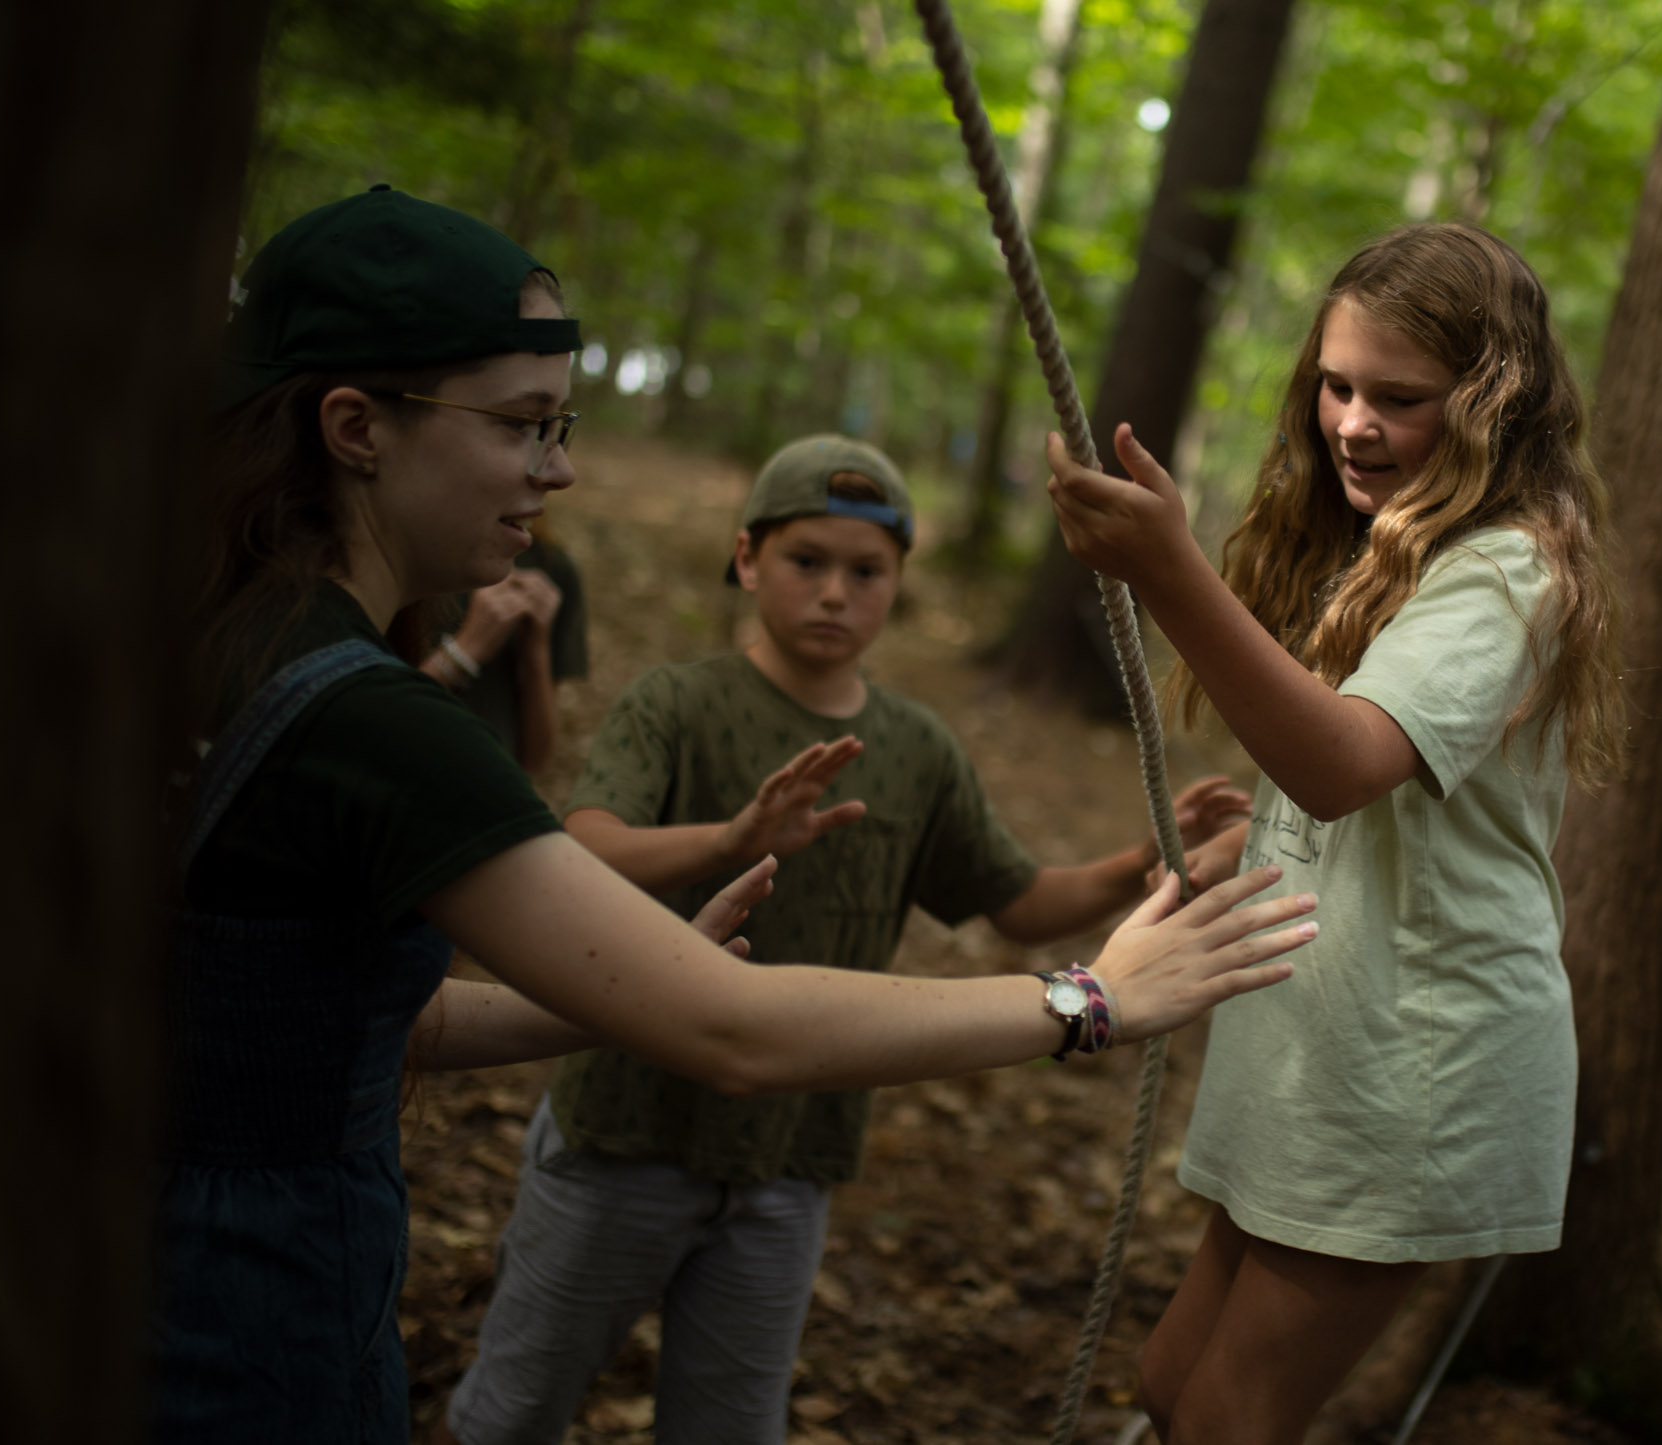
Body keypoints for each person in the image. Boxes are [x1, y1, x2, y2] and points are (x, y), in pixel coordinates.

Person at [160, 185, 1318, 1445]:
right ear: (354, 426)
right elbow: (734, 1031)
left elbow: (342, 1005)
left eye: (565, 423)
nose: (561, 467)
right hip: (240, 1304)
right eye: (522, 424)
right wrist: (1089, 1001)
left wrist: (618, 984)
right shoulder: (367, 718)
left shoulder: (226, 633)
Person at [436, 434, 1252, 1444]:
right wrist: (733, 837)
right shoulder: (677, 703)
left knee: (732, 1424)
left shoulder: (914, 748)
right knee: (514, 1407)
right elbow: (588, 847)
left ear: (899, 583)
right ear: (745, 560)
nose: (834, 593)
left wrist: (1142, 858)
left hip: (790, 1161)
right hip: (623, 1135)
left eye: (866, 571)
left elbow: (1017, 901)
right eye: (804, 561)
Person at [1041, 222, 1624, 1444]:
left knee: (1225, 1417)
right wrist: (1239, 857)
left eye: (1397, 398)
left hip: (1417, 1064)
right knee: (1170, 1381)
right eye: (1336, 384)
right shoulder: (1383, 548)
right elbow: (1351, 789)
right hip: (1319, 1044)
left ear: (1490, 406)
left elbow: (1345, 761)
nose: (1351, 421)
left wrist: (1168, 571)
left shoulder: (1510, 569)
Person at [418, 522, 587, 772]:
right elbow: (367, 731)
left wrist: (535, 654)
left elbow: (533, 760)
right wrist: (462, 652)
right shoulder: (413, 554)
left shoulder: (549, 565)